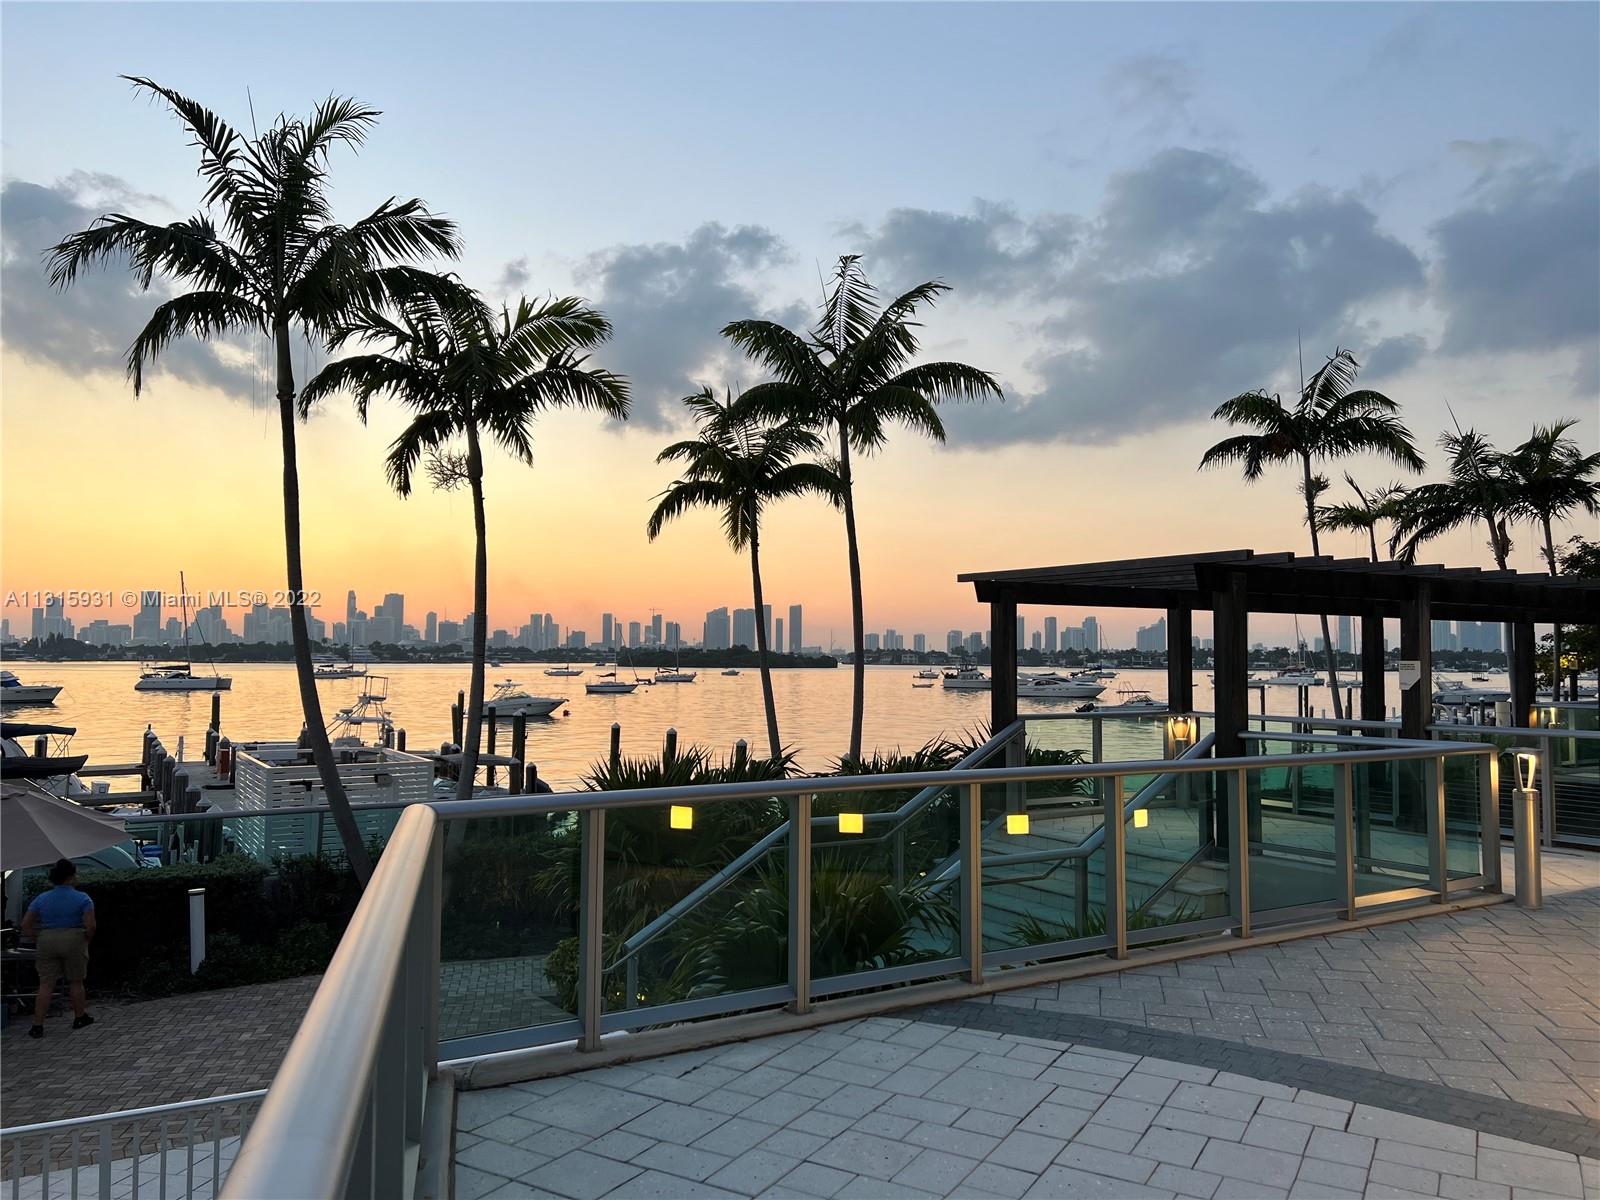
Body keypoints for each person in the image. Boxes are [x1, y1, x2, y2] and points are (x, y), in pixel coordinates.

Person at [19, 858, 96, 1038]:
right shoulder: (83, 898)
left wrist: (37, 937)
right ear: (70, 877)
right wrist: (86, 939)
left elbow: (26, 923)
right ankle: (79, 1017)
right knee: (76, 981)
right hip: (73, 937)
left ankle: (38, 1025)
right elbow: (91, 926)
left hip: (47, 938)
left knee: (45, 983)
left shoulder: (42, 898)